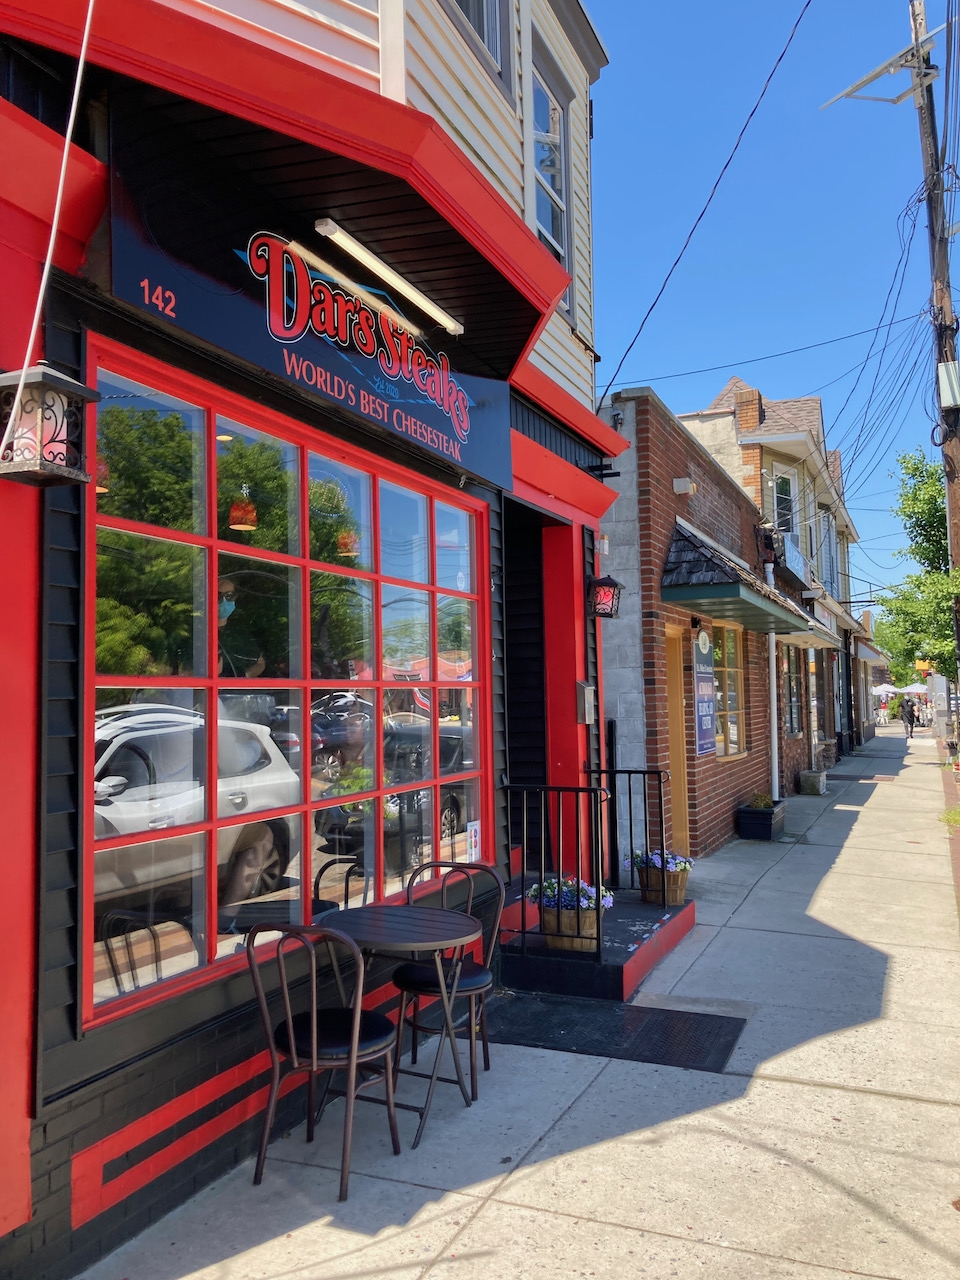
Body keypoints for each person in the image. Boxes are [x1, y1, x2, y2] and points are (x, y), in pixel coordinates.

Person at [217, 577, 265, 678]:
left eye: (229, 595)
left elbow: (260, 663)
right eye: (218, 595)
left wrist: (243, 677)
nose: (224, 600)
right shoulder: (198, 631)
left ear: (236, 596)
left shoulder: (240, 633)